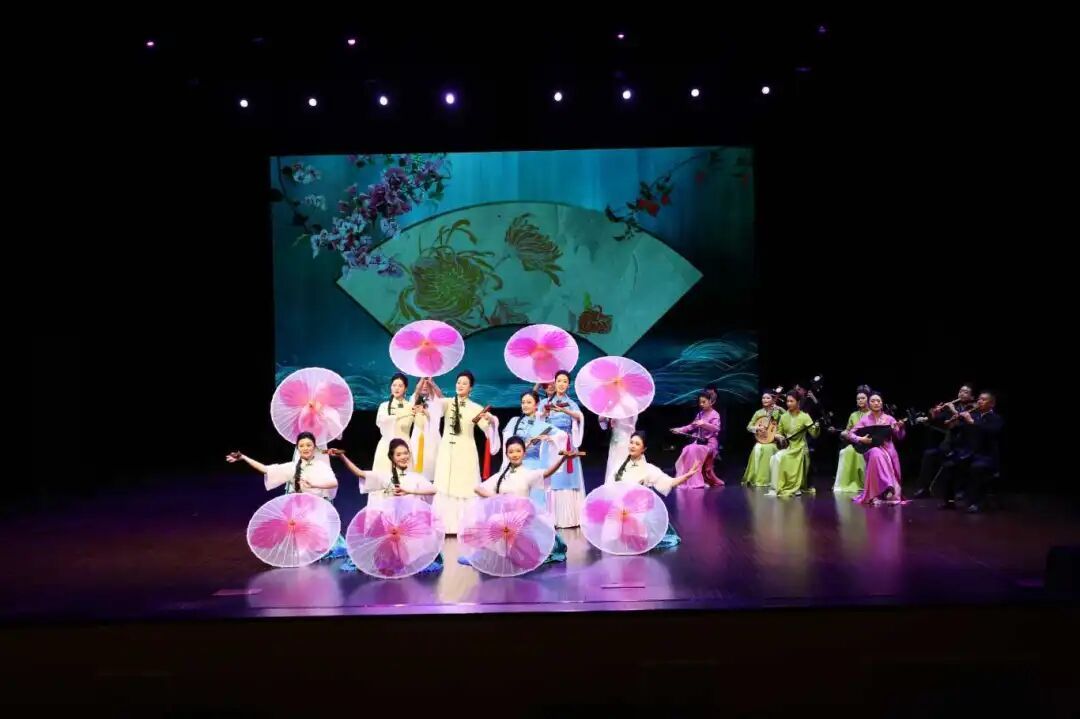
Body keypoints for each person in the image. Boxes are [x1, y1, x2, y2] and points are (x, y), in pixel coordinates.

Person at [225, 431, 347, 560]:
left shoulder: (321, 466)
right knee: (300, 545)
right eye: (301, 446)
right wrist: (244, 457)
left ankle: (316, 540)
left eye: (308, 445)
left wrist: (313, 484)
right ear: (297, 448)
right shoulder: (292, 467)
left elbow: (333, 483)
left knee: (320, 545)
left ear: (314, 447)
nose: (305, 448)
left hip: (317, 510)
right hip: (302, 513)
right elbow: (266, 469)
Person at [330, 439, 443, 573]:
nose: (403, 457)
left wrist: (410, 491)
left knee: (412, 558)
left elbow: (433, 490)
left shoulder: (415, 477)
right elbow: (360, 473)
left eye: (405, 453)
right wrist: (342, 457)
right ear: (392, 457)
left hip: (409, 527)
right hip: (392, 527)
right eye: (399, 454)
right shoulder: (385, 477)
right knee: (388, 560)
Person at [472, 437, 583, 563]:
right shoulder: (502, 475)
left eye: (518, 451)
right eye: (511, 452)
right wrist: (496, 497)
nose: (515, 454)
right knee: (494, 522)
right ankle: (501, 554)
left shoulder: (528, 474)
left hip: (522, 519)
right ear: (507, 454)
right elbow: (478, 489)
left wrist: (563, 460)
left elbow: (547, 473)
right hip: (505, 519)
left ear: (524, 453)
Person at [429, 371, 500, 535]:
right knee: (444, 484)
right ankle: (444, 526)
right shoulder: (447, 403)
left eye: (464, 383)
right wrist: (431, 385)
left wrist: (491, 421)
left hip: (466, 451)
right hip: (447, 450)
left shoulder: (476, 408)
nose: (460, 385)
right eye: (458, 382)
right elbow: (435, 405)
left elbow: (487, 429)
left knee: (465, 485)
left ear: (470, 388)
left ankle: (466, 526)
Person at [606, 431, 700, 548]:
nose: (632, 446)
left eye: (637, 444)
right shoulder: (619, 465)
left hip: (638, 512)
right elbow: (610, 486)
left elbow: (669, 482)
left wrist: (687, 476)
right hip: (621, 510)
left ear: (644, 449)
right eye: (631, 442)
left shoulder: (649, 469)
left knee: (637, 540)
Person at [938, 391, 1004, 513]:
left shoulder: (996, 418)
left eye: (983, 399)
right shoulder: (974, 415)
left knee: (976, 468)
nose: (979, 401)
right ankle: (949, 501)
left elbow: (991, 432)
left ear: (992, 404)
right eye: (979, 399)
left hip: (986, 456)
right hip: (968, 454)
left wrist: (971, 421)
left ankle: (976, 503)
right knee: (949, 465)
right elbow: (959, 430)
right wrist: (953, 423)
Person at [502, 389, 566, 510]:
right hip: (517, 466)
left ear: (536, 404)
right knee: (516, 503)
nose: (525, 405)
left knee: (535, 503)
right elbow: (507, 442)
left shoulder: (542, 425)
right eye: (523, 402)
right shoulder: (514, 421)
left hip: (534, 467)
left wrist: (550, 438)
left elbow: (562, 436)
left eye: (529, 402)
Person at [538, 370, 586, 528]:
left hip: (566, 443)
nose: (561, 384)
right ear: (554, 382)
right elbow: (538, 421)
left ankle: (569, 518)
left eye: (565, 381)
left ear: (568, 385)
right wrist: (544, 414)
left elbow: (580, 417)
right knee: (551, 478)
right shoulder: (545, 403)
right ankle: (551, 518)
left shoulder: (571, 403)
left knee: (567, 478)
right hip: (551, 443)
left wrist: (564, 410)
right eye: (559, 381)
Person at [912, 383, 976, 499]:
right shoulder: (953, 406)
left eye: (966, 392)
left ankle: (960, 490)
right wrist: (934, 414)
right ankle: (924, 488)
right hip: (949, 444)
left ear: (972, 397)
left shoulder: (974, 408)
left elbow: (963, 423)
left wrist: (952, 410)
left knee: (958, 459)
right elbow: (939, 420)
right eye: (961, 391)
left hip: (965, 444)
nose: (962, 394)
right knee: (928, 454)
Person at [846, 392, 906, 506]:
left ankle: (884, 491)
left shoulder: (889, 419)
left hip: (888, 450)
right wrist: (861, 439)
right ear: (869, 404)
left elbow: (900, 436)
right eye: (873, 401)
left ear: (882, 404)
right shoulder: (864, 420)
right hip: (871, 448)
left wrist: (901, 428)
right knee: (875, 452)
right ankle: (887, 486)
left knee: (877, 453)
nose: (876, 403)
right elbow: (850, 434)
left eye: (878, 401)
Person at [767, 392, 821, 497]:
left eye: (791, 401)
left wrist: (817, 427)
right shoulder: (784, 417)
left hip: (801, 448)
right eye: (787, 401)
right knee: (775, 457)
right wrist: (778, 436)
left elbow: (814, 434)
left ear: (798, 402)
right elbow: (778, 432)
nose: (789, 403)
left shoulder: (805, 416)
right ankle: (778, 486)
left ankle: (794, 486)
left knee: (783, 457)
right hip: (789, 447)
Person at [670, 389, 723, 488]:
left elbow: (717, 428)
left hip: (709, 444)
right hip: (699, 443)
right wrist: (679, 430)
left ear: (711, 402)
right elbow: (691, 426)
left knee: (692, 449)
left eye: (704, 402)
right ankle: (687, 480)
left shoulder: (715, 414)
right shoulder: (700, 414)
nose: (701, 404)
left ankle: (697, 481)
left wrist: (704, 424)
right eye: (700, 402)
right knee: (687, 449)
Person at [373, 373, 416, 476]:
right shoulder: (384, 406)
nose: (396, 388)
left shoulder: (411, 407)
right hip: (386, 446)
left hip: (404, 447)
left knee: (404, 479)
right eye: (394, 385)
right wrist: (400, 414)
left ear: (405, 389)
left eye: (400, 386)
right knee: (384, 478)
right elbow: (381, 422)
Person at [832, 386, 872, 493]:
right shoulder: (853, 415)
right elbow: (848, 430)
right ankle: (845, 482)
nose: (860, 400)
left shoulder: (872, 414)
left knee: (860, 454)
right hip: (856, 443)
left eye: (863, 398)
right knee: (845, 452)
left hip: (869, 443)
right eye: (858, 399)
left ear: (868, 399)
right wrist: (844, 433)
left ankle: (865, 483)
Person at [742, 391, 783, 488]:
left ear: (773, 400)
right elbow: (749, 427)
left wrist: (780, 409)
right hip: (760, 440)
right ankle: (755, 478)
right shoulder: (758, 413)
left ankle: (769, 480)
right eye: (763, 398)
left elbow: (786, 418)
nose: (765, 400)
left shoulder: (777, 411)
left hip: (773, 441)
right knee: (757, 448)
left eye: (768, 398)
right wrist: (757, 428)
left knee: (769, 449)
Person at [599, 413, 638, 484]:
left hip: (626, 438)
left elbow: (632, 425)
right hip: (615, 440)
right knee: (613, 464)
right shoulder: (612, 407)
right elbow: (603, 425)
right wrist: (604, 417)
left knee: (623, 463)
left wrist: (619, 422)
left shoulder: (631, 406)